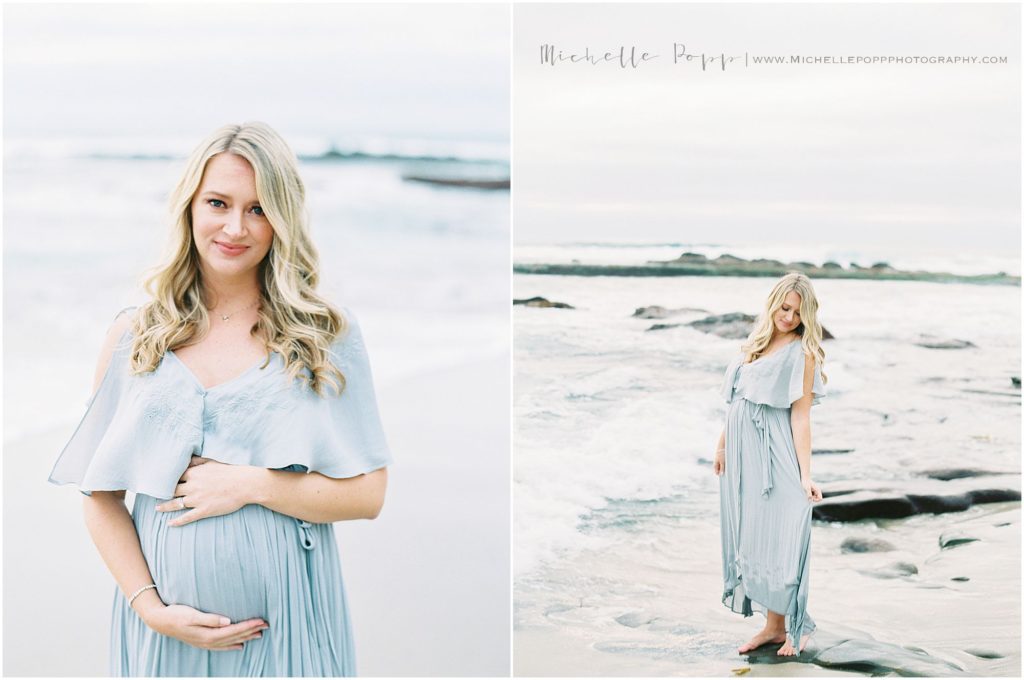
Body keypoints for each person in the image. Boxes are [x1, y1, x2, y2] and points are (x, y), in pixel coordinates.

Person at [48, 121, 393, 676]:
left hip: (289, 629)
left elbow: (368, 495)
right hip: (164, 637)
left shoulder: (323, 335)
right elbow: (100, 495)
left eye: (259, 209)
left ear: (283, 218)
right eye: (219, 202)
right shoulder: (135, 337)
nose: (236, 226)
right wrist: (152, 610)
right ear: (189, 207)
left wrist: (250, 484)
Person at [713, 272, 827, 657]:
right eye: (784, 306)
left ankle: (796, 624)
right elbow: (737, 402)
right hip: (741, 452)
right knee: (753, 537)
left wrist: (805, 474)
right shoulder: (754, 343)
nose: (789, 316)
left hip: (775, 451)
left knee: (784, 532)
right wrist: (722, 445)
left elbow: (801, 416)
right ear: (773, 302)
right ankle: (772, 627)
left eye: (797, 311)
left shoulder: (803, 352)